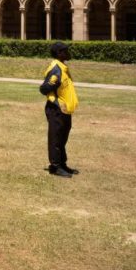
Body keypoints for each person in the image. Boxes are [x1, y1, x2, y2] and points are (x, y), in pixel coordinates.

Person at [40, 42, 80, 178]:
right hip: (56, 110)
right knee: (56, 138)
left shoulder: (63, 68)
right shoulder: (56, 70)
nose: (68, 52)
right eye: (65, 50)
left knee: (62, 139)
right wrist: (57, 103)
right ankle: (55, 166)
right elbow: (44, 88)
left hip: (65, 111)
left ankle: (62, 164)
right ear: (59, 53)